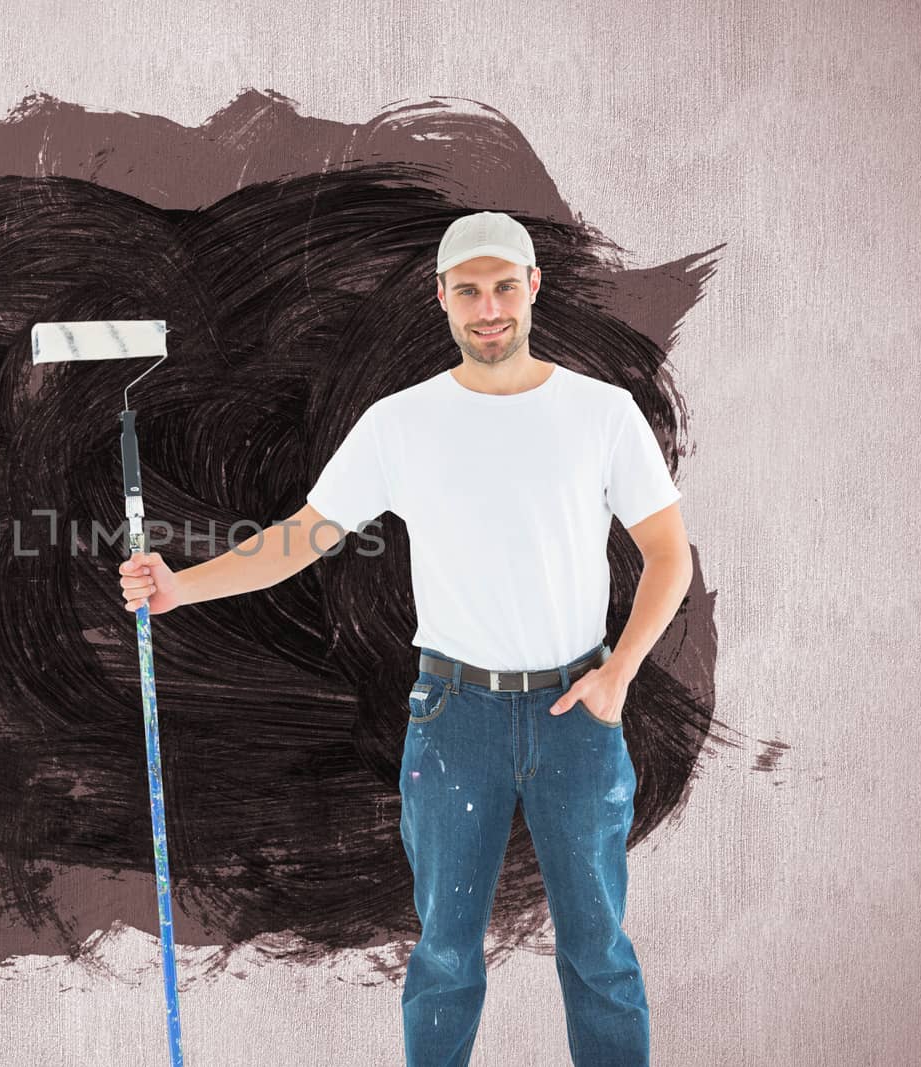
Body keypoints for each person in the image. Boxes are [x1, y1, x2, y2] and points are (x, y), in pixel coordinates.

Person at [117, 210, 692, 1066]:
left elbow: (667, 555)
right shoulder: (401, 423)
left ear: (533, 288)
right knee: (446, 960)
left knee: (599, 956)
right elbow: (299, 536)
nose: (488, 307)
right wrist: (179, 587)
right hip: (455, 715)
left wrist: (618, 678)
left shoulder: (600, 414)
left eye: (504, 287)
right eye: (469, 290)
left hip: (579, 709)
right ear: (442, 299)